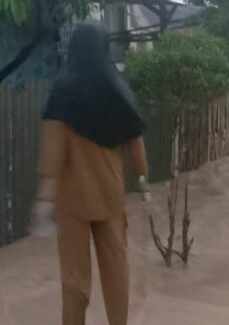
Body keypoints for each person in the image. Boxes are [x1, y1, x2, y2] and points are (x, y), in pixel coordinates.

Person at [30, 22, 149, 325]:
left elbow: (54, 156)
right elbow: (137, 143)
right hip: (110, 198)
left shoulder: (62, 92)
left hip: (72, 203)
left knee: (74, 279)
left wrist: (44, 202)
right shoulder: (118, 89)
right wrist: (142, 180)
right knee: (117, 270)